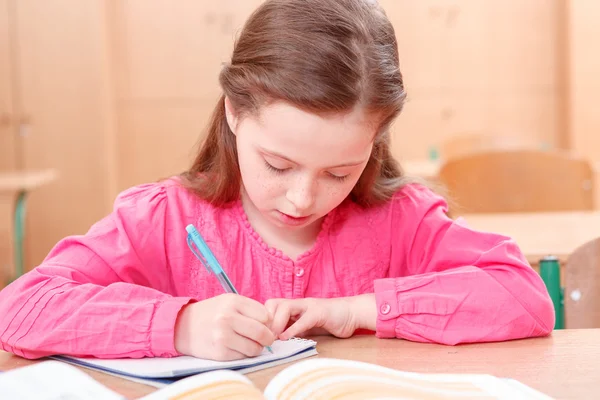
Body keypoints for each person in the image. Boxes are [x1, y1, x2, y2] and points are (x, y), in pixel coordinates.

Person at [0, 0, 554, 362]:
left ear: (376, 142)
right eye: (278, 164)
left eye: (340, 171)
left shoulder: (401, 218)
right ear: (234, 113)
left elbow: (524, 298)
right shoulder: (162, 219)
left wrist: (356, 310)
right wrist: (180, 325)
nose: (303, 198)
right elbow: (20, 309)